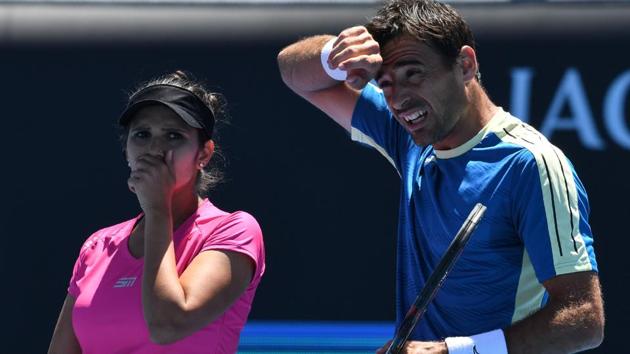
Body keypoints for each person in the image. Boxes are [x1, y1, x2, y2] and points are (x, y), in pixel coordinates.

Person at [277, 0, 603, 353]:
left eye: (413, 74)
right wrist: (333, 54)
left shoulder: (531, 164)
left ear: (465, 65)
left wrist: (452, 351)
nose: (398, 99)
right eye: (385, 84)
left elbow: (584, 319)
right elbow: (294, 73)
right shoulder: (411, 135)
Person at [48, 71, 265, 354]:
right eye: (142, 135)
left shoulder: (235, 230)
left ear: (204, 154)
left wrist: (158, 208)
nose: (154, 149)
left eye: (174, 136)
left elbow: (167, 326)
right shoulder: (98, 245)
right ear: (126, 150)